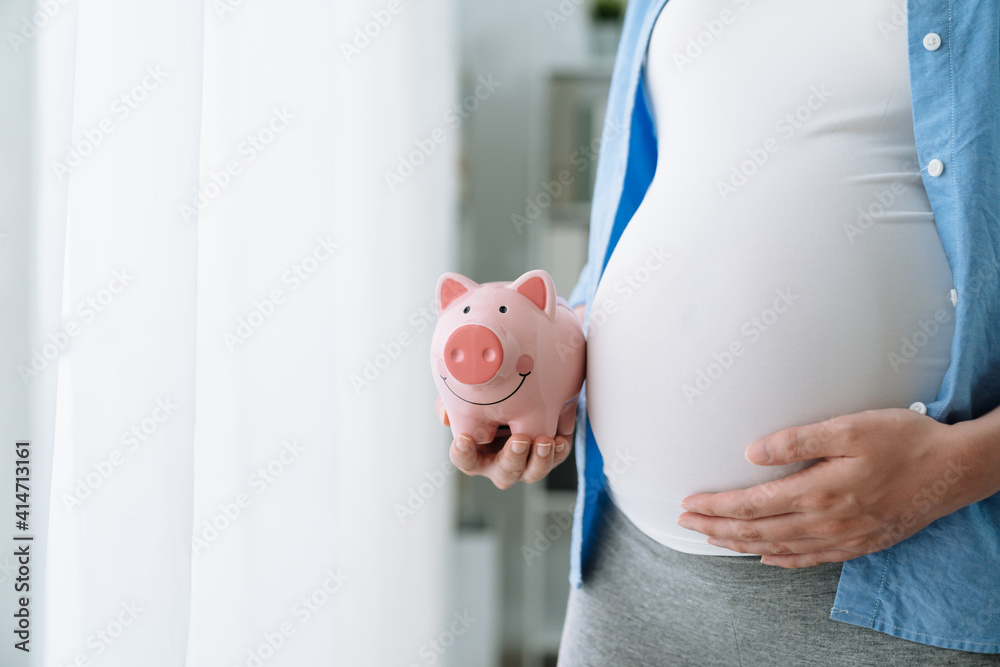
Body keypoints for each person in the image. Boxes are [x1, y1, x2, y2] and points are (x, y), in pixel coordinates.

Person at [441, 0, 1000, 664]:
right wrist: (535, 376)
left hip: (905, 586)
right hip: (633, 577)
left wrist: (961, 467)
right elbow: (653, 196)